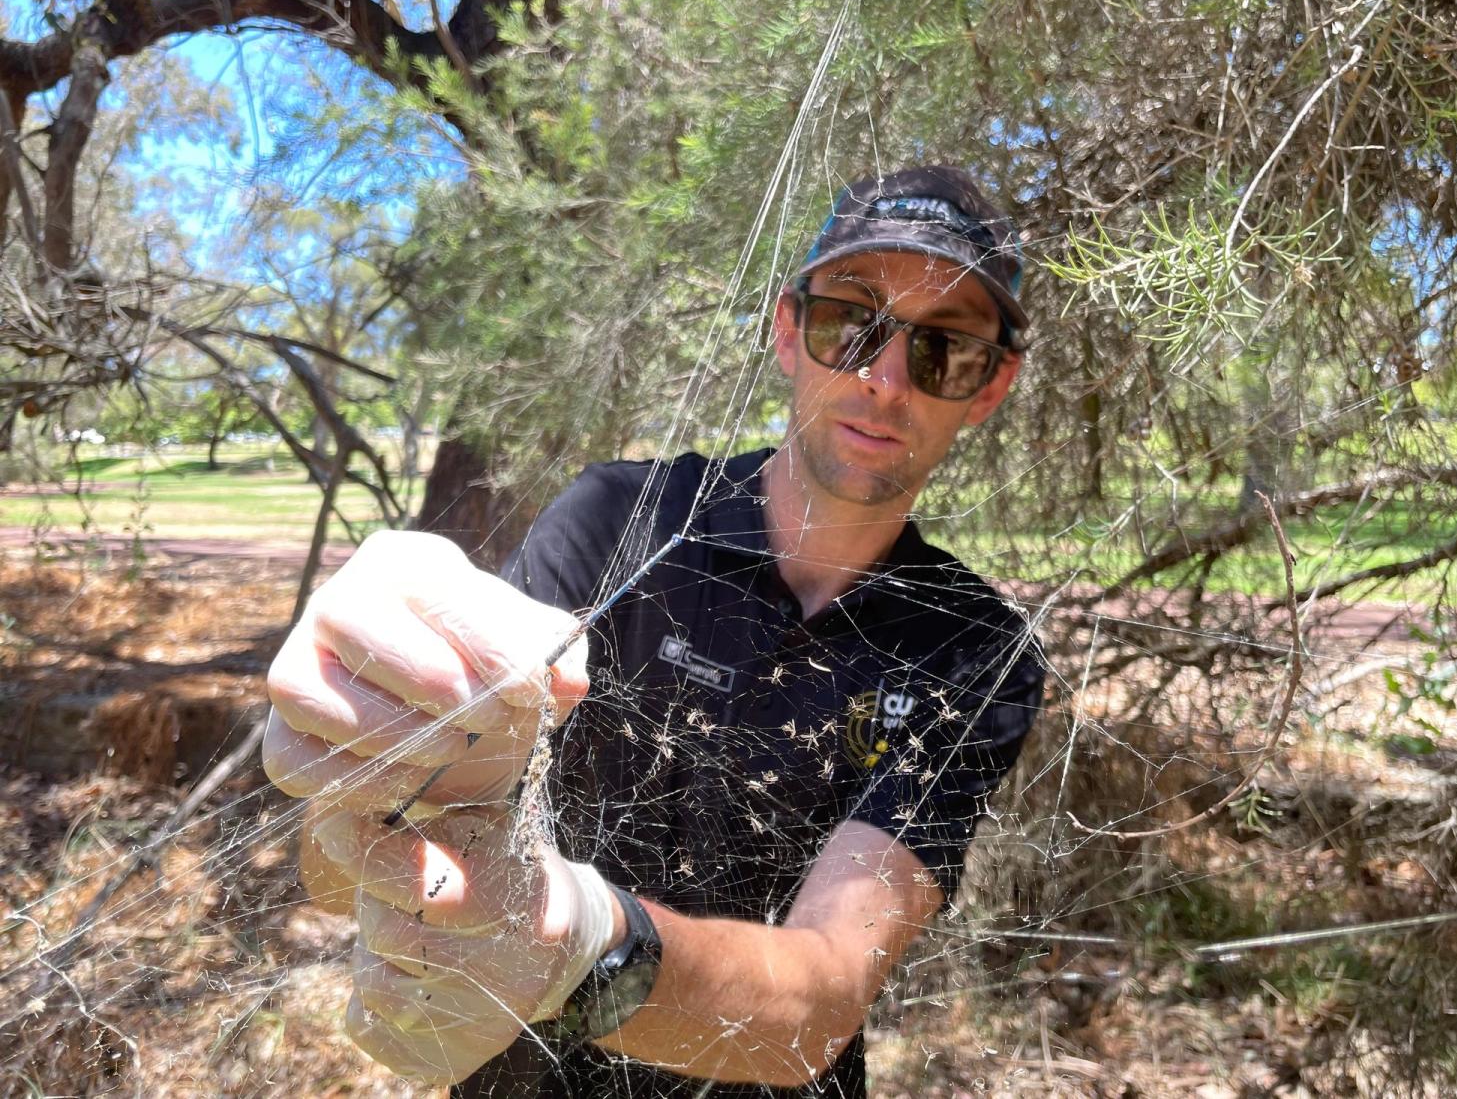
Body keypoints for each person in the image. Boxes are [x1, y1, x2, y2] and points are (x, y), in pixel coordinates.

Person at [262, 165, 1047, 1097]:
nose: (883, 379)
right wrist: (374, 767)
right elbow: (349, 870)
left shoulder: (974, 649)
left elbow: (820, 1002)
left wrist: (581, 944)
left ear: (991, 385)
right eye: (853, 320)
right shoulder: (616, 522)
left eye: (943, 349)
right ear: (788, 330)